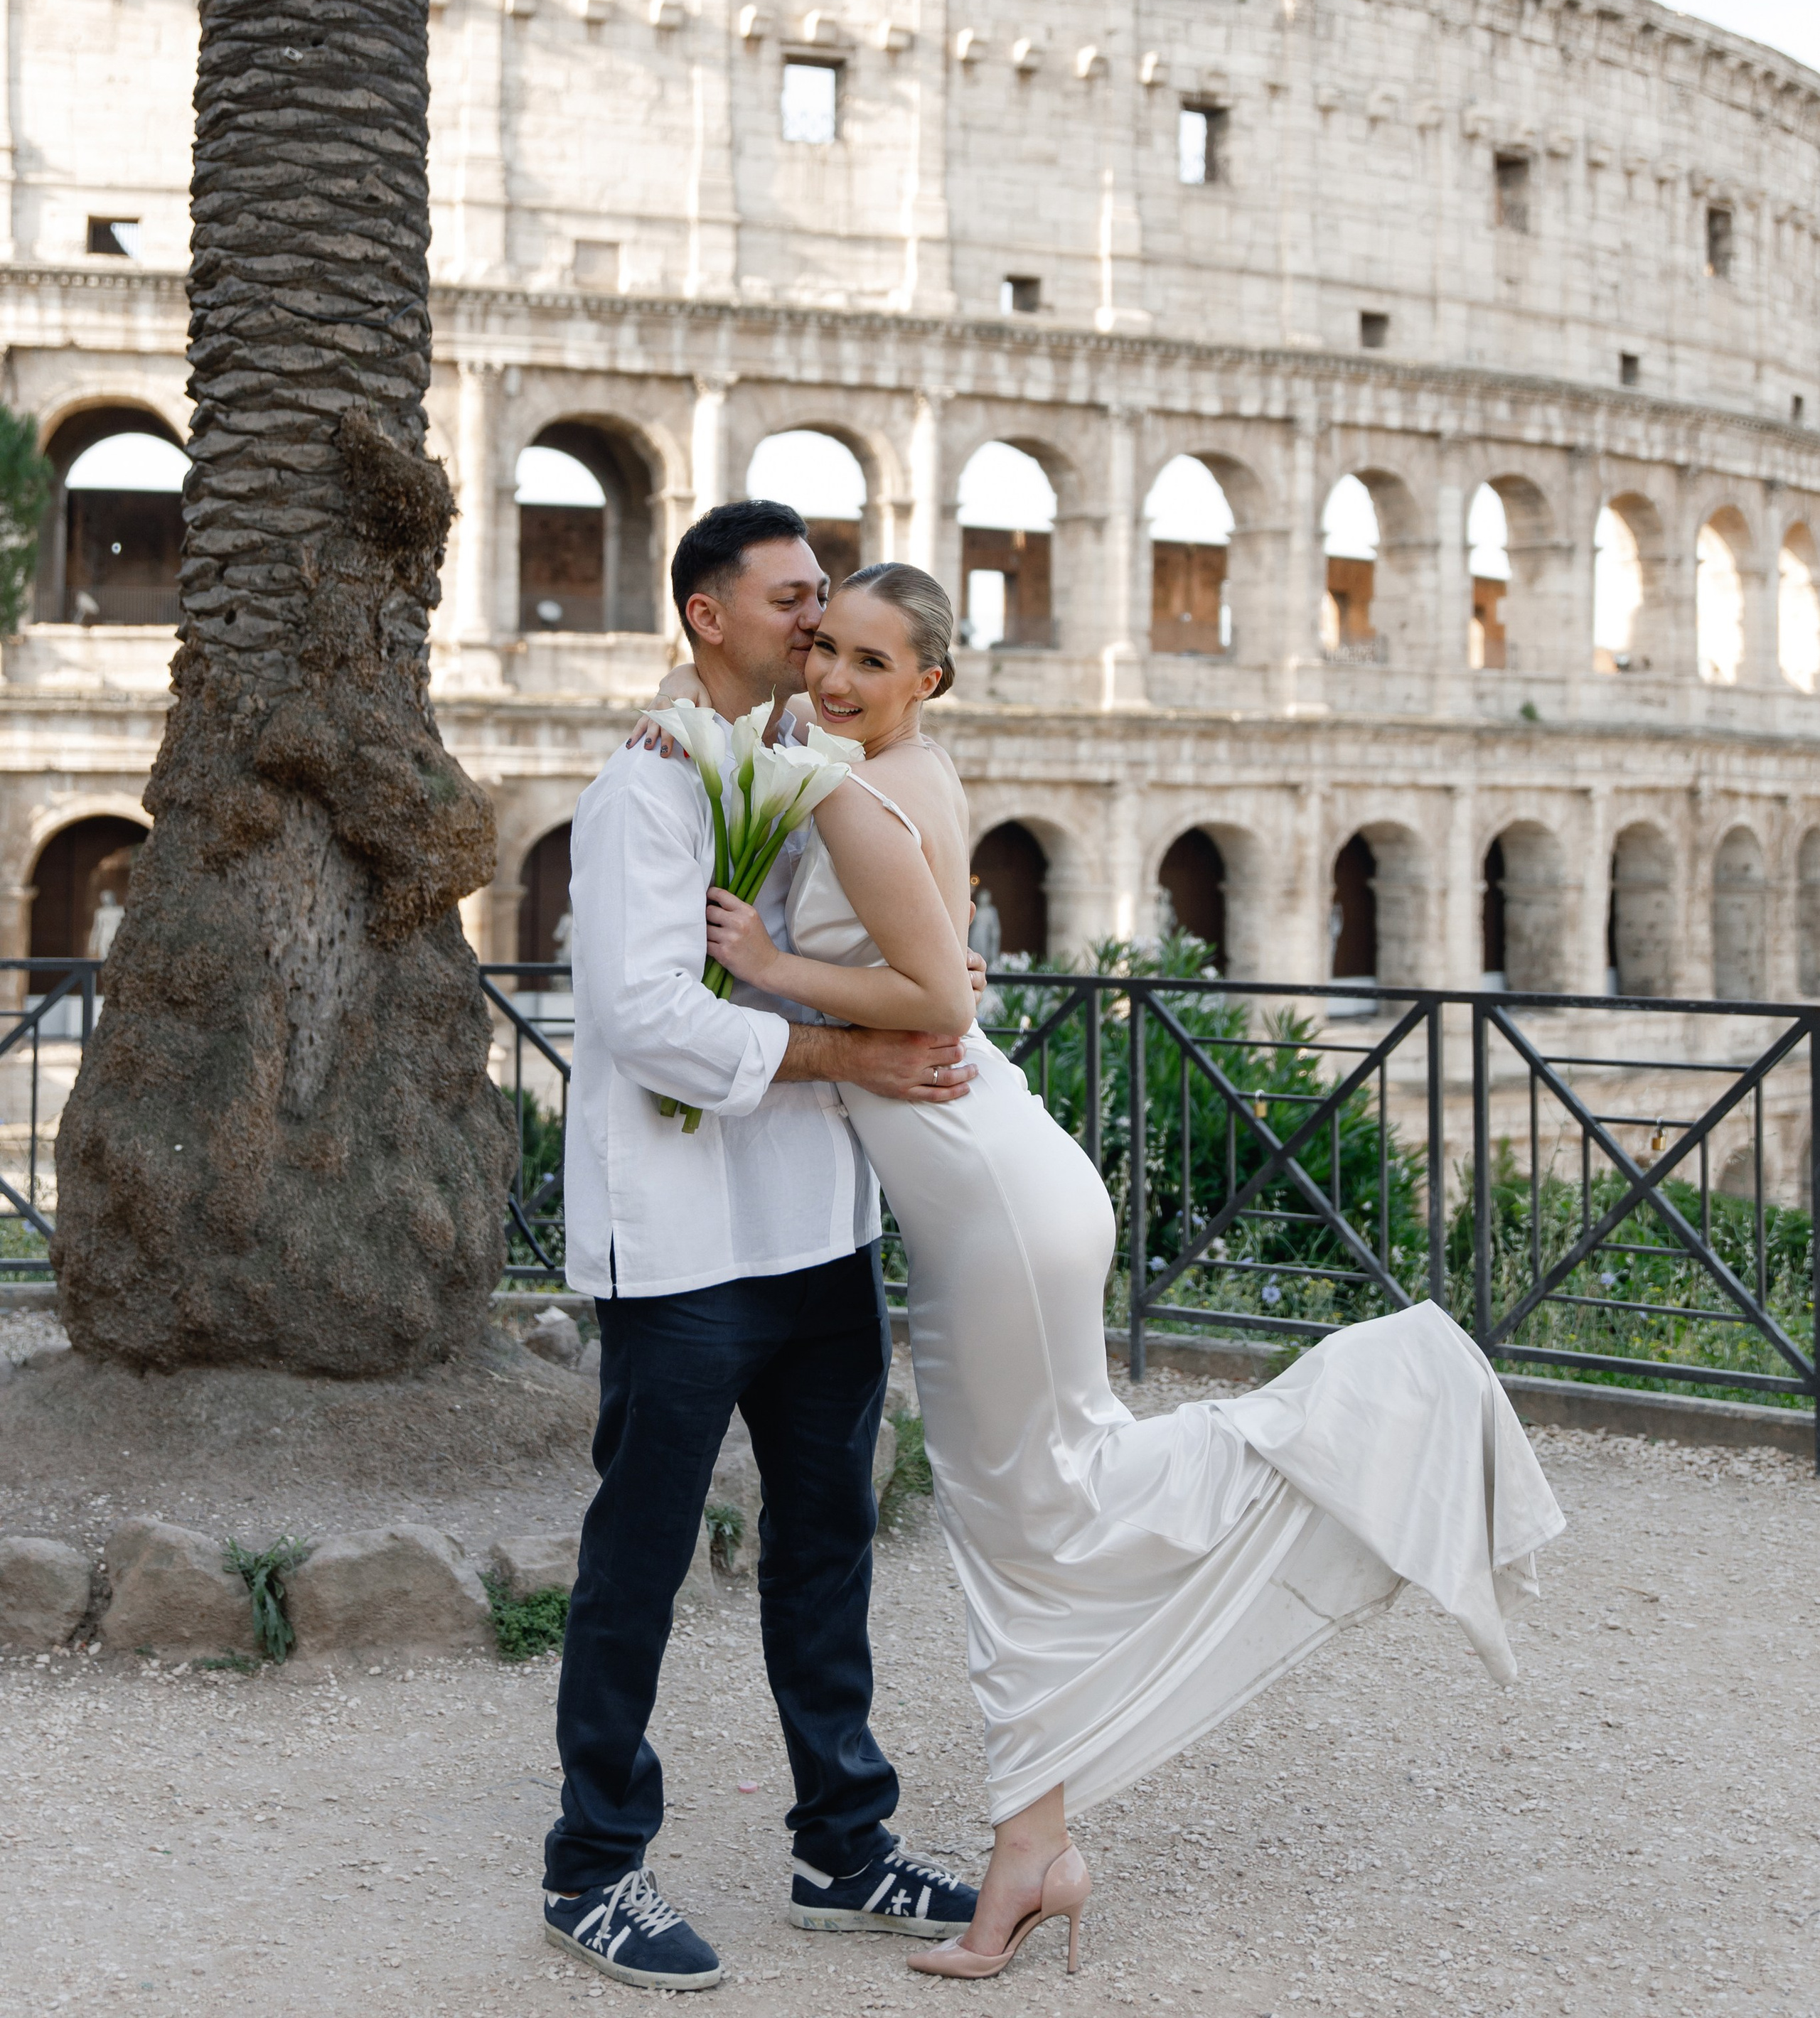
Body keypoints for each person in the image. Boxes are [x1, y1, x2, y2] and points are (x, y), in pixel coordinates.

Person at [682, 559, 1567, 1982]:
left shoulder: (853, 791)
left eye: (867, 660)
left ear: (928, 678)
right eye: (824, 649)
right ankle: (1031, 1850)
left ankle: (1403, 1388)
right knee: (1015, 1514)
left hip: (987, 1199)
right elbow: (948, 973)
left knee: (1038, 1499)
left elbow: (933, 994)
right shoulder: (892, 767)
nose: (833, 678)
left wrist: (773, 968)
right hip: (994, 1179)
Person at [545, 500, 986, 1992]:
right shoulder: (641, 789)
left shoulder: (813, 774)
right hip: (678, 1247)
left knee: (826, 1549)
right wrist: (849, 1059)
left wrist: (919, 984)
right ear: (706, 616)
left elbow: (881, 968)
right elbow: (646, 1020)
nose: (818, 622)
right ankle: (592, 1865)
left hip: (811, 1229)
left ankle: (842, 1848)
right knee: (640, 1558)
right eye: (794, 598)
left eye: (832, 603)